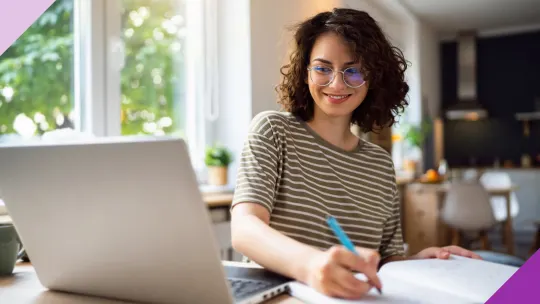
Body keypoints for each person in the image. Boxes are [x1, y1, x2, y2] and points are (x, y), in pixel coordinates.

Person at [230, 8, 481, 300]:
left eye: (353, 70)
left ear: (373, 78)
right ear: (305, 71)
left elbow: (386, 260)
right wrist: (311, 266)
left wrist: (420, 262)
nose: (337, 84)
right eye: (323, 68)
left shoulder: (379, 164)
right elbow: (245, 228)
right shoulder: (273, 130)